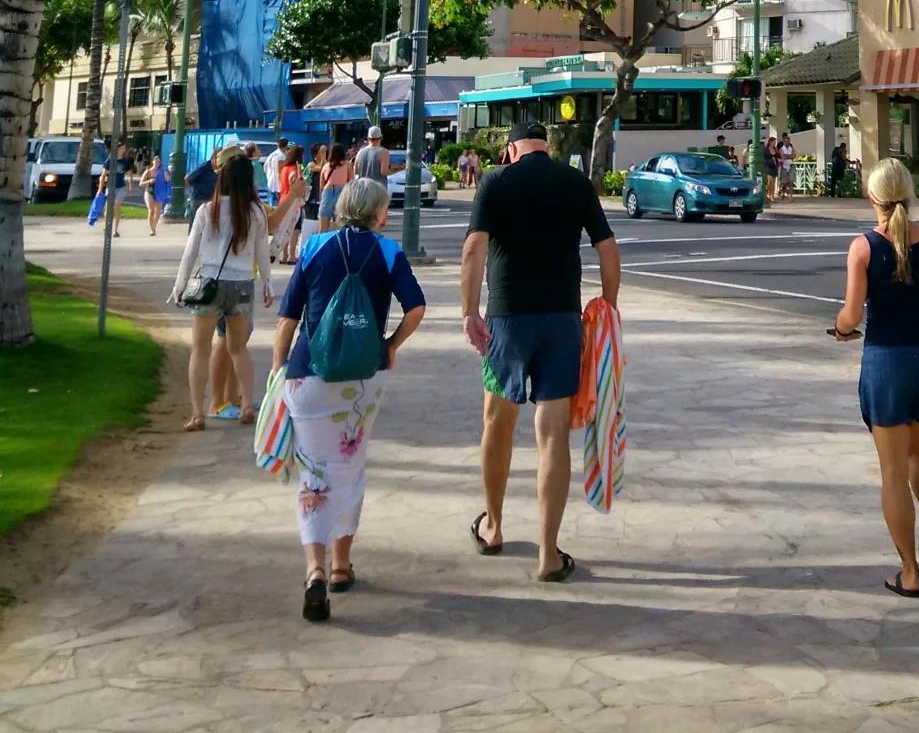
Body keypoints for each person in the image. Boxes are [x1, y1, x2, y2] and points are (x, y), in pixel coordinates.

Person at [460, 119, 621, 581]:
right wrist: (608, 307)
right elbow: (608, 250)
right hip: (562, 321)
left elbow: (474, 249)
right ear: (545, 149)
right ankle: (548, 555)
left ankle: (493, 526)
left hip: (507, 322)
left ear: (511, 150)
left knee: (498, 421)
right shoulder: (574, 182)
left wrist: (470, 311)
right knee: (552, 435)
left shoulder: (496, 181)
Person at [273, 175, 426, 623]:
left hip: (308, 373)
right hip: (362, 377)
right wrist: (391, 343)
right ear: (380, 213)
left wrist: (281, 373)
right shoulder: (388, 252)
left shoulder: (315, 247)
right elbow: (416, 306)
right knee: (349, 466)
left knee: (313, 473)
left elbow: (287, 319)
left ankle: (314, 569)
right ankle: (341, 565)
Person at [832, 158, 919, 599]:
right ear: (909, 194)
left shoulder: (864, 247)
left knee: (893, 470)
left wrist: (841, 327)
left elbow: (852, 315)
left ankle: (909, 571)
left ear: (871, 197)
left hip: (887, 363)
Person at [169, 150, 272, 429]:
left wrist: (179, 286)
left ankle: (197, 413)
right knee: (238, 349)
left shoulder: (207, 210)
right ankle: (247, 404)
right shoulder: (256, 213)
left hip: (209, 284)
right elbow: (262, 253)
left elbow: (190, 253)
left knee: (201, 349)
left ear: (222, 179)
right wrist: (267, 284)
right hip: (241, 285)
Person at [318, 143, 352, 229]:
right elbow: (351, 183)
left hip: (327, 192)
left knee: (323, 228)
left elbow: (321, 186)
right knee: (340, 227)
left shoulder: (326, 166)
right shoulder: (347, 165)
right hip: (342, 193)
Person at [141, 151, 172, 237]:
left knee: (157, 211)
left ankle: (154, 226)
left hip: (159, 192)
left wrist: (166, 175)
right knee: (151, 210)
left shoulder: (163, 171)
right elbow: (141, 183)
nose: (157, 162)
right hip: (149, 192)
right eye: (155, 160)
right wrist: (149, 181)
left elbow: (168, 180)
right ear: (152, 162)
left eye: (158, 161)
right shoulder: (148, 171)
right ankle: (152, 229)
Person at [777, 133, 796, 199]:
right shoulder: (781, 149)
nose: (787, 143)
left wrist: (787, 156)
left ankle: (790, 196)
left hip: (791, 165)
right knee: (783, 182)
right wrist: (789, 156)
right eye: (786, 141)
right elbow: (783, 156)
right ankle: (782, 192)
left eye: (788, 141)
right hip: (784, 166)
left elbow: (794, 156)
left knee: (791, 181)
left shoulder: (792, 148)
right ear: (784, 142)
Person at [763, 135, 780, 204]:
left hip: (774, 166)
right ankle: (769, 195)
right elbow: (764, 158)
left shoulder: (775, 149)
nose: (775, 143)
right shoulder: (766, 150)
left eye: (775, 142)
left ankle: (772, 197)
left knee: (773, 182)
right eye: (774, 142)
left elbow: (778, 157)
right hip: (768, 166)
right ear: (770, 142)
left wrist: (778, 160)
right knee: (770, 181)